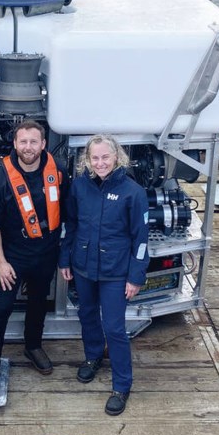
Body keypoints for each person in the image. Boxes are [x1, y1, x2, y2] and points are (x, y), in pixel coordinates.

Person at [0, 120, 69, 397]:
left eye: (33, 142)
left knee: (39, 303)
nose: (28, 147)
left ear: (43, 144)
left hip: (46, 253)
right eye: (23, 142)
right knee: (0, 309)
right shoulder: (1, 179)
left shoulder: (58, 172)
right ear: (15, 144)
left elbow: (68, 211)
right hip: (13, 257)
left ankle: (33, 346)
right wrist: (1, 262)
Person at [58, 134, 149, 416]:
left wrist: (135, 277)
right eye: (94, 158)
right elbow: (70, 224)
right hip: (84, 267)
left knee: (114, 327)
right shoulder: (80, 186)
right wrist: (65, 258)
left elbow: (141, 239)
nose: (100, 163)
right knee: (87, 315)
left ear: (117, 157)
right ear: (87, 159)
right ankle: (93, 357)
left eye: (105, 157)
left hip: (115, 272)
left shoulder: (133, 192)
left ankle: (122, 385)